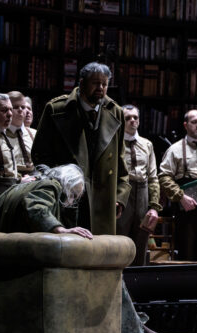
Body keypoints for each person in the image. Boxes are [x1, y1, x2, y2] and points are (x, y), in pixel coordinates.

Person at [0, 164, 177, 333]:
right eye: (72, 195)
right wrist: (60, 229)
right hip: (30, 269)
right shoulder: (50, 186)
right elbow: (35, 207)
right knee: (104, 275)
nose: (70, 201)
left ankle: (132, 331)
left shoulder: (16, 189)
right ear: (65, 184)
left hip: (8, 266)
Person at [31, 62, 130, 236]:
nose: (100, 88)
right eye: (95, 83)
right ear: (82, 83)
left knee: (100, 249)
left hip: (103, 200)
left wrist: (120, 196)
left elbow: (120, 160)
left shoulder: (116, 112)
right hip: (68, 196)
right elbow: (40, 154)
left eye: (104, 84)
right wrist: (56, 187)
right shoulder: (57, 109)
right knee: (69, 247)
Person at [157, 109, 197, 263]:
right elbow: (164, 177)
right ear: (185, 125)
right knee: (186, 249)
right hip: (186, 203)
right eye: (194, 122)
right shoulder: (174, 149)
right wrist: (180, 196)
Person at [118, 105, 160, 266]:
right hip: (123, 192)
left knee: (141, 239)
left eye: (135, 117)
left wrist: (154, 206)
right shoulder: (116, 143)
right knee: (121, 239)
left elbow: (153, 177)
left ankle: (139, 277)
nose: (132, 120)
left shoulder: (147, 144)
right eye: (128, 118)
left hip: (142, 192)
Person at [6, 91, 35, 176]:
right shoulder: (0, 135)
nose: (20, 110)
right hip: (12, 178)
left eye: (23, 107)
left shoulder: (34, 134)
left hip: (34, 176)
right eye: (15, 107)